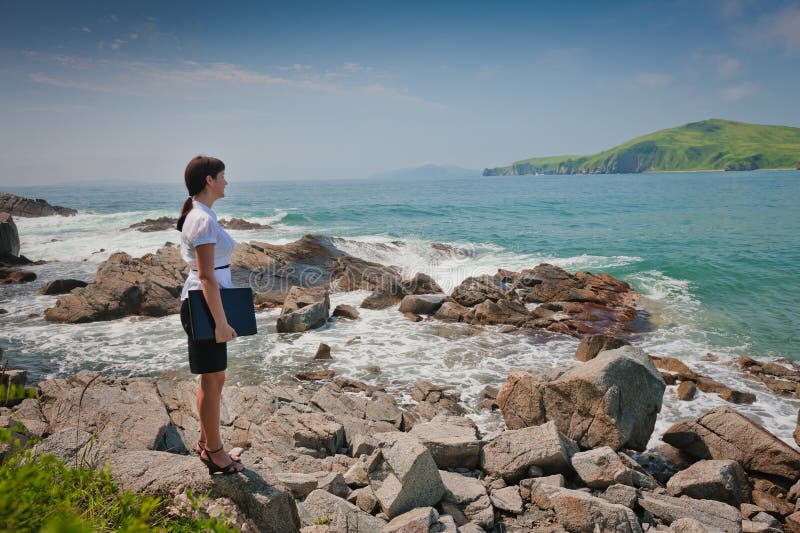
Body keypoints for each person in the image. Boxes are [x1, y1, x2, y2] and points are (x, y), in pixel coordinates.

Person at [177, 155, 244, 474]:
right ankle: (214, 452)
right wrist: (220, 322)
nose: (226, 181)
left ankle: (207, 441)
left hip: (205, 303)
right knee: (211, 376)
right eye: (222, 176)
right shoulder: (202, 219)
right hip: (204, 305)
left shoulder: (201, 214)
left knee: (215, 376)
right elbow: (206, 276)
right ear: (209, 180)